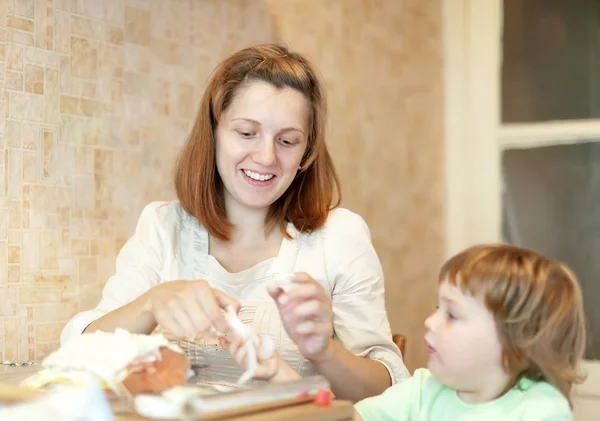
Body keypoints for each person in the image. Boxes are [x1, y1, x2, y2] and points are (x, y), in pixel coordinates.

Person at [60, 43, 409, 402]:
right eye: (246, 133)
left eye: (287, 141)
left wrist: (324, 351)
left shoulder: (339, 236)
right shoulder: (162, 227)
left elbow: (387, 390)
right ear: (213, 133)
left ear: (307, 152)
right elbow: (79, 358)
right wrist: (152, 304)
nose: (266, 156)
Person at [353, 244, 586, 420]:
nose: (430, 321)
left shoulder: (541, 409)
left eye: (452, 315)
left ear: (515, 341)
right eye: (437, 309)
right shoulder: (424, 388)